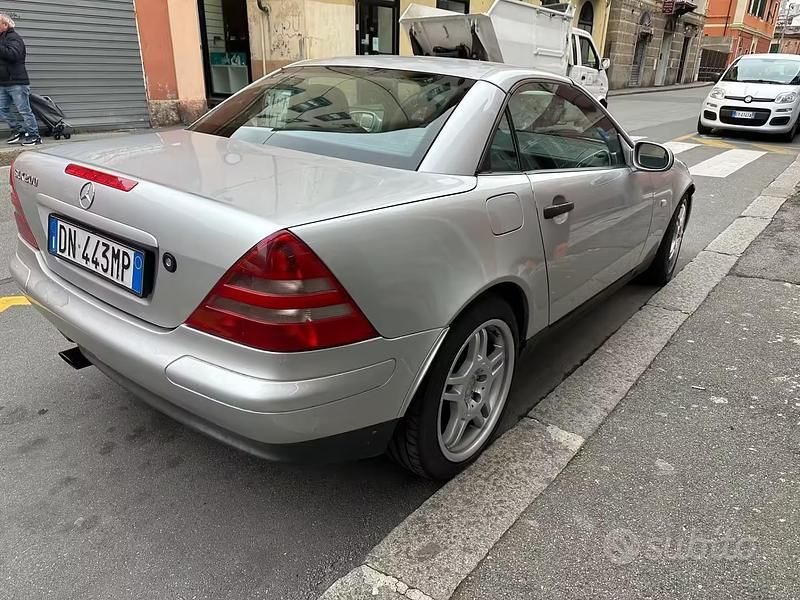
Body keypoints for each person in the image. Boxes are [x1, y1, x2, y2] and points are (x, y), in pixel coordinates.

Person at [0, 14, 40, 146]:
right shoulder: (2, 38)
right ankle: (18, 131)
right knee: (2, 109)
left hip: (16, 82)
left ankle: (34, 136)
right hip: (3, 82)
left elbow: (13, 55)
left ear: (5, 25)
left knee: (24, 110)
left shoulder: (14, 38)